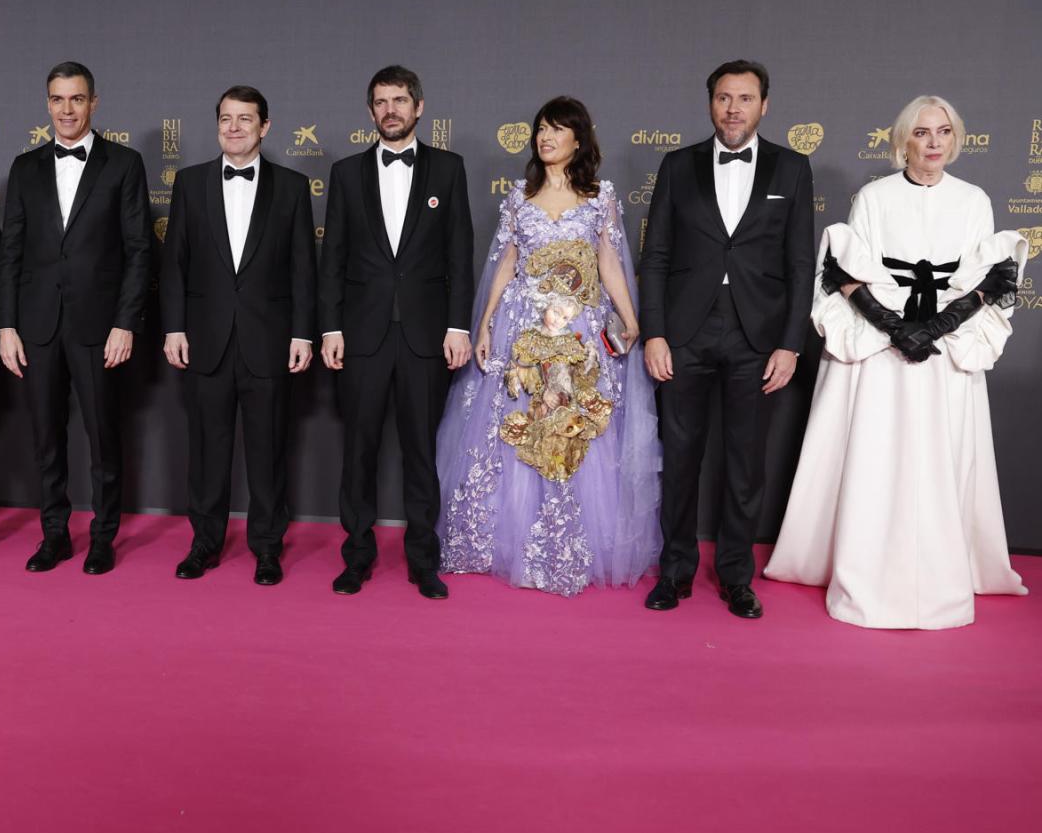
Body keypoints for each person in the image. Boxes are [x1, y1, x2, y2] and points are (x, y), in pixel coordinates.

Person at [764, 95, 1028, 629]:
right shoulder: (873, 197)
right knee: (877, 453)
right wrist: (895, 329)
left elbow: (987, 278)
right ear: (903, 139)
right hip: (882, 347)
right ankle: (864, 567)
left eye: (944, 132)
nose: (934, 143)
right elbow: (845, 271)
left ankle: (940, 569)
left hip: (943, 353)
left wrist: (934, 329)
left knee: (941, 454)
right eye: (923, 133)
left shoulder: (974, 199)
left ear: (955, 139)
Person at [437, 97, 660, 596]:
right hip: (522, 332)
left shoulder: (600, 198)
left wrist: (629, 319)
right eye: (541, 128)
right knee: (514, 426)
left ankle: (574, 543)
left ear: (578, 140)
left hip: (580, 334)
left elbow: (608, 264)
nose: (545, 137)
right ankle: (502, 542)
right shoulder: (519, 197)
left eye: (557, 129)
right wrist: (488, 322)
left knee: (578, 427)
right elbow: (505, 262)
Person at [637, 60, 814, 619]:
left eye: (744, 98)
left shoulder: (792, 168)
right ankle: (675, 572)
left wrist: (790, 343)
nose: (732, 108)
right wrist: (656, 333)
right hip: (685, 334)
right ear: (709, 103)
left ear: (765, 106)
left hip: (757, 337)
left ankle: (737, 576)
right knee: (681, 457)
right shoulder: (677, 165)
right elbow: (656, 257)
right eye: (722, 97)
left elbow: (801, 263)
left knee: (744, 464)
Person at [319, 65, 473, 599]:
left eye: (400, 100)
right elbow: (332, 258)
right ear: (370, 112)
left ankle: (422, 560)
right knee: (357, 451)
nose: (391, 110)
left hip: (426, 337)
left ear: (419, 107)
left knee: (419, 454)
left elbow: (460, 254)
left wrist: (457, 326)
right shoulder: (345, 173)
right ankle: (356, 556)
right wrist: (331, 327)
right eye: (381, 102)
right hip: (361, 336)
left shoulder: (449, 169)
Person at [0, 61, 150, 575]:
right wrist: (6, 326)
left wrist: (125, 323)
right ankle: (55, 535)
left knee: (105, 439)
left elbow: (138, 251)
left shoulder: (124, 164)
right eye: (58, 100)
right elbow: (10, 253)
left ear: (94, 103)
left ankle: (104, 537)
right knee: (46, 438)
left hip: (99, 326)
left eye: (77, 99)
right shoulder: (24, 167)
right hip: (37, 326)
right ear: (47, 104)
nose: (67, 109)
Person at [160, 85, 316, 586]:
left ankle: (267, 547)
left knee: (268, 451)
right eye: (226, 118)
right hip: (205, 339)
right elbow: (175, 265)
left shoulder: (292, 187)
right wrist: (174, 326)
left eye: (244, 119)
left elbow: (302, 270)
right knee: (207, 450)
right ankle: (204, 543)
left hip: (268, 340)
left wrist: (302, 334)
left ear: (264, 127)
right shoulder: (190, 182)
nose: (233, 127)